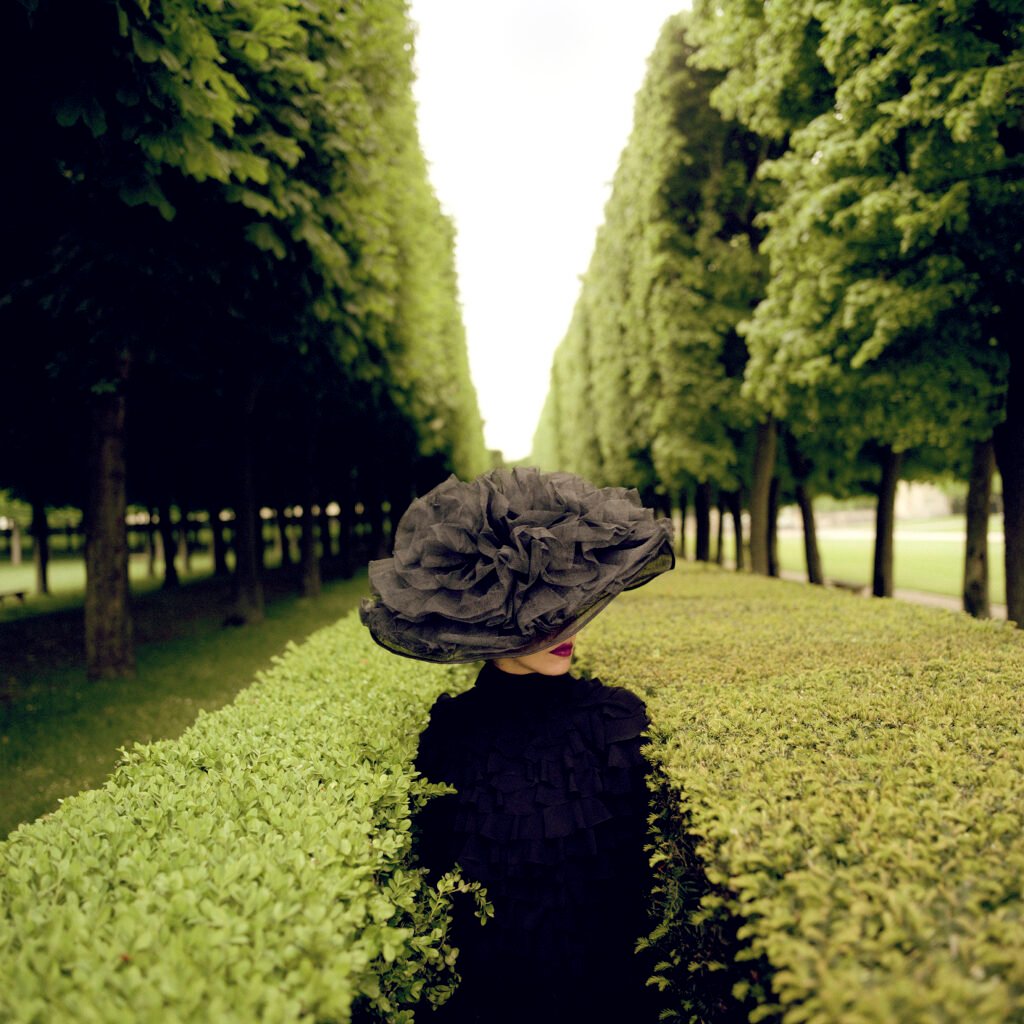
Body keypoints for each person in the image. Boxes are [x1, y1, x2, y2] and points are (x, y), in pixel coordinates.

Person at [360, 467, 675, 1023]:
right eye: (534, 609)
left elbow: (635, 903)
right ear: (485, 615)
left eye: (566, 602)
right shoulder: (452, 737)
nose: (565, 629)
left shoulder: (616, 722)